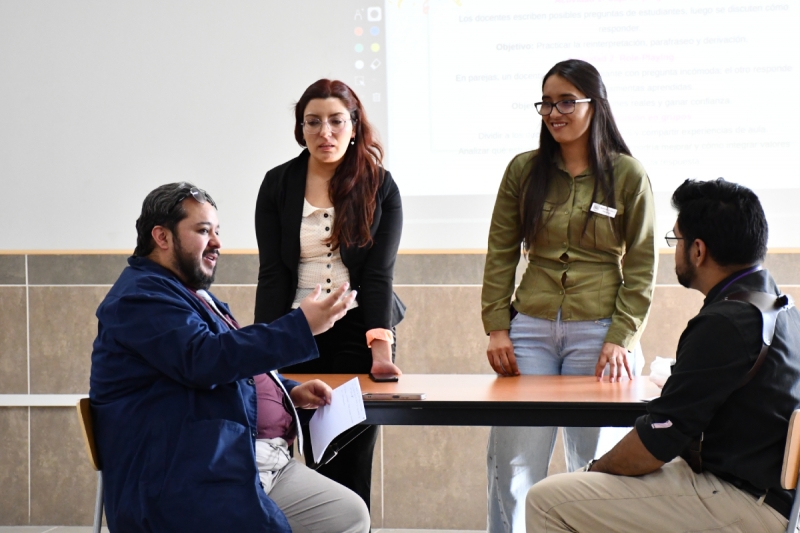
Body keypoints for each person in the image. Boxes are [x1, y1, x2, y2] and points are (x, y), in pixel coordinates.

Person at [90, 182, 370, 533]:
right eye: (203, 231)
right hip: (189, 471)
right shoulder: (139, 300)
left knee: (349, 514)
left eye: (217, 231)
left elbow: (231, 363)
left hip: (250, 458)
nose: (217, 242)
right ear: (161, 237)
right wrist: (300, 326)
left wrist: (287, 391)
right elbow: (204, 360)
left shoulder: (192, 295)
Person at [526, 178, 799, 532]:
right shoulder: (782, 308)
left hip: (742, 501)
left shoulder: (725, 323)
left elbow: (655, 444)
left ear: (698, 250)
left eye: (676, 240)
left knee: (548, 501)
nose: (675, 251)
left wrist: (594, 470)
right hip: (773, 497)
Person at [481, 59, 657, 532]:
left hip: (601, 333)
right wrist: (498, 327)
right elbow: (500, 252)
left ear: (594, 105)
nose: (554, 112)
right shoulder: (524, 170)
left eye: (566, 102)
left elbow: (641, 267)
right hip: (531, 331)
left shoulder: (627, 174)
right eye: (547, 103)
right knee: (514, 463)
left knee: (596, 467)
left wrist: (621, 338)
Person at [254, 78, 403, 509]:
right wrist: (264, 347)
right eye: (313, 122)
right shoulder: (278, 184)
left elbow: (378, 275)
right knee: (304, 456)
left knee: (351, 455)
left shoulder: (380, 185)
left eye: (337, 121)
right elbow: (273, 273)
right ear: (301, 129)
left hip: (361, 327)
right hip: (297, 327)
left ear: (354, 126)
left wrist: (380, 346)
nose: (326, 132)